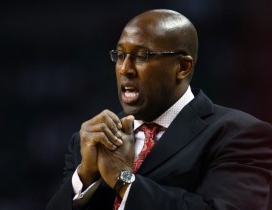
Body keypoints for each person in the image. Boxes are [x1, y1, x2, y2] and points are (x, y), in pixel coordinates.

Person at [46, 9, 272, 210]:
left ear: (183, 67)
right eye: (121, 55)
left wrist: (124, 179)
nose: (125, 69)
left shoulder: (240, 134)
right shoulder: (90, 142)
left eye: (142, 56)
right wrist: (85, 175)